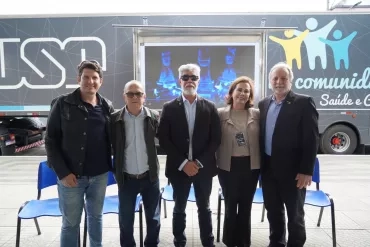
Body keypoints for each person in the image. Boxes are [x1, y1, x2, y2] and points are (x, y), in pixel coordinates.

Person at [45, 60, 115, 247]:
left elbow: (112, 140)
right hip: (71, 177)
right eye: (86, 77)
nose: (90, 81)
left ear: (101, 81)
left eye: (95, 78)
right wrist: (62, 173)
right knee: (70, 224)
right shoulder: (62, 104)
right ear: (78, 79)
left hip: (99, 176)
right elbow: (50, 141)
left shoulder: (107, 106)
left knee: (96, 218)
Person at [158, 63, 222, 247]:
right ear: (179, 80)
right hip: (179, 169)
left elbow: (215, 139)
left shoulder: (210, 107)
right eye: (185, 77)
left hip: (204, 168)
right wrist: (184, 163)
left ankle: (207, 242)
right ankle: (179, 241)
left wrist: (199, 163)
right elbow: (164, 139)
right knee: (179, 208)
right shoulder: (169, 107)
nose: (189, 81)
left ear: (199, 80)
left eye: (193, 77)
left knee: (205, 207)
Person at [258, 62, 319, 247]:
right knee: (273, 212)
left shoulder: (303, 102)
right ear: (270, 81)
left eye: (283, 78)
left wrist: (306, 170)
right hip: (268, 171)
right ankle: (276, 243)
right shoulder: (263, 104)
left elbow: (312, 139)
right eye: (275, 78)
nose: (279, 82)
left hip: (294, 173)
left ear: (290, 81)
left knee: (295, 215)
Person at [111, 80, 161, 247]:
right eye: (130, 94)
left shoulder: (153, 116)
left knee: (153, 220)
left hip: (150, 177)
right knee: (125, 221)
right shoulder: (114, 120)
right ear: (124, 97)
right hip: (126, 179)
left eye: (138, 93)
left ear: (144, 97)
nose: (134, 97)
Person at [216, 76, 261, 247]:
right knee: (230, 204)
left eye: (246, 91)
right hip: (228, 166)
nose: (242, 93)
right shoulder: (220, 114)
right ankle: (229, 240)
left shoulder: (257, 114)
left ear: (250, 95)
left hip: (251, 166)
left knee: (245, 206)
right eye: (239, 90)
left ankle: (243, 242)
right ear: (232, 92)